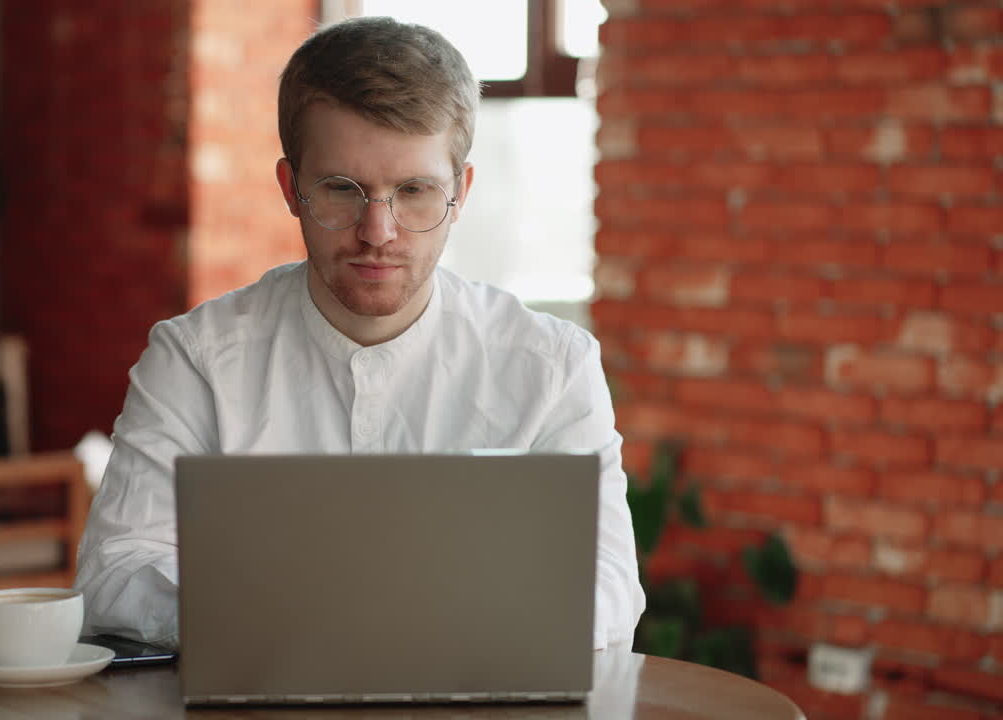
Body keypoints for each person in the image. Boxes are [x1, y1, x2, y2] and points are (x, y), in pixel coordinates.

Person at [75, 15, 645, 651]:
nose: (379, 231)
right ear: (291, 188)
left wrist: (404, 623)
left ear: (461, 193)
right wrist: (283, 622)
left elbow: (611, 586)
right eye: (342, 190)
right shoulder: (195, 360)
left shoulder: (552, 366)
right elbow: (113, 573)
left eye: (415, 191)